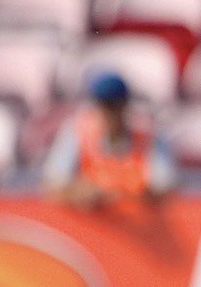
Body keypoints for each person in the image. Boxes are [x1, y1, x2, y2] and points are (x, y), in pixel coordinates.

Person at [42, 71, 176, 208]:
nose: (109, 112)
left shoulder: (147, 136)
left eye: (114, 105)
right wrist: (80, 192)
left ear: (125, 105)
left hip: (138, 219)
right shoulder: (77, 132)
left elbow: (164, 188)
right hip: (89, 219)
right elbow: (53, 183)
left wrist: (125, 195)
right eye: (104, 105)